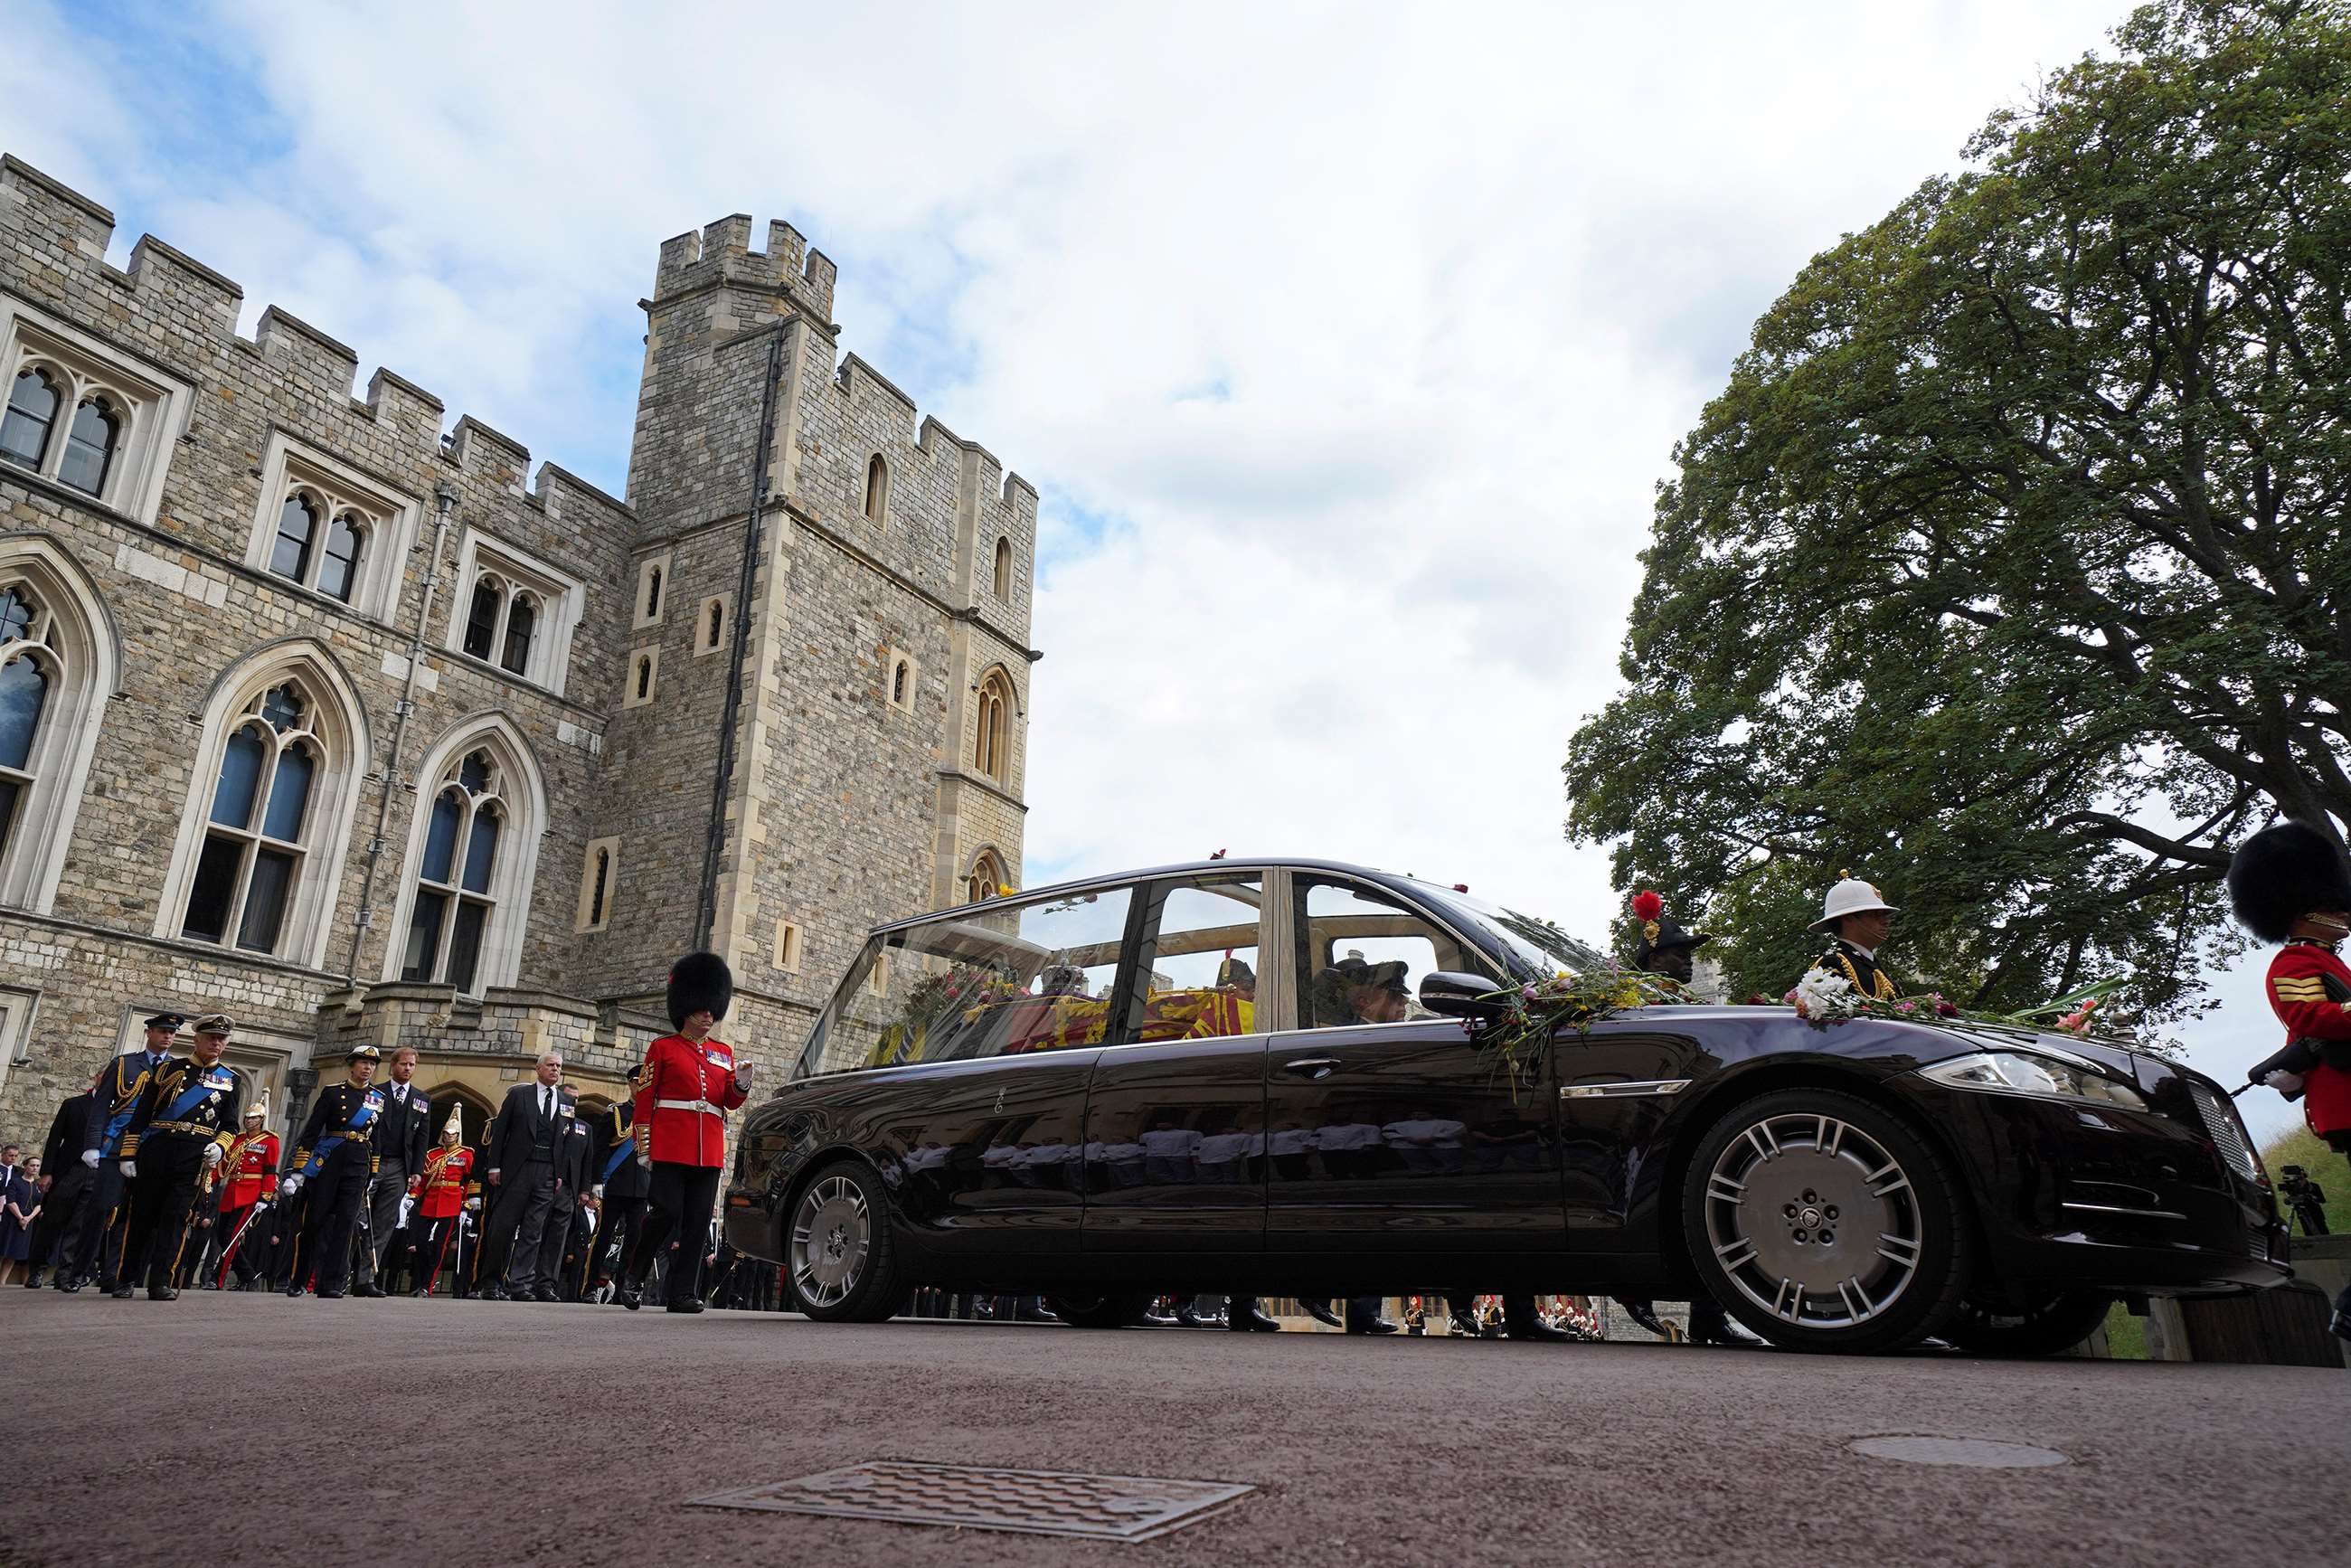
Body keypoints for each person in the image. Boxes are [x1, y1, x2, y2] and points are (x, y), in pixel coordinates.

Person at [2226, 819, 2351, 1343]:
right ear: (2306, 909)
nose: (2344, 913)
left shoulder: (2326, 961)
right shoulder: (2294, 962)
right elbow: (2312, 1019)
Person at [617, 951, 751, 1314]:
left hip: (706, 1148)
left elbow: (728, 1101)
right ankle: (633, 1276)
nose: (709, 1015)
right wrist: (644, 1145)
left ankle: (682, 1292)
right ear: (686, 1008)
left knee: (696, 1223)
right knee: (665, 1213)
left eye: (712, 1008)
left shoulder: (723, 1052)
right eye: (702, 1008)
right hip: (671, 1145)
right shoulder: (663, 1048)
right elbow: (645, 1099)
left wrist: (741, 1084)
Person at [113, 1014, 244, 1301]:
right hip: (158, 1150)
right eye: (210, 1037)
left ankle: (160, 1281)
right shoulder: (168, 1070)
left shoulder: (230, 1079)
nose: (215, 1043)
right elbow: (142, 1113)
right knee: (141, 1218)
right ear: (196, 1039)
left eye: (221, 1039)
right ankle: (125, 1278)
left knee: (175, 1221)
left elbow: (231, 1125)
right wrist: (128, 1153)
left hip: (194, 1158)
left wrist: (221, 1146)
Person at [61, 1012, 184, 1293]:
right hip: (116, 1146)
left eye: (172, 1033)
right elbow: (102, 1106)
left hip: (151, 1150)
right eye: (163, 1031)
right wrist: (92, 1144)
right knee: (101, 1209)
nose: (168, 1036)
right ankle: (78, 1272)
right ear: (149, 1033)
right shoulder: (124, 1064)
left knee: (135, 1215)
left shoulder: (178, 1071)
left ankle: (116, 1277)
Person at [277, 1044, 385, 1299]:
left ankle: (332, 1282)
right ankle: (299, 1278)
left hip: (358, 1161)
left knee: (346, 1225)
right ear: (352, 1065)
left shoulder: (378, 1099)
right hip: (330, 1160)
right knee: (314, 1221)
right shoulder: (333, 1093)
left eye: (372, 1064)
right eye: (363, 1063)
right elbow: (312, 1130)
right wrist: (299, 1169)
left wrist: (373, 1171)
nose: (368, 1068)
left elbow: (378, 1137)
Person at [476, 1051, 579, 1302]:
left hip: (547, 1172)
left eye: (559, 1066)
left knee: (533, 1230)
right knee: (503, 1227)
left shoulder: (566, 1101)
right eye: (551, 1065)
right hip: (516, 1170)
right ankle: (491, 1282)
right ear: (538, 1069)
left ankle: (521, 1284)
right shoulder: (519, 1095)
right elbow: (500, 1133)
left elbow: (565, 1141)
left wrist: (559, 1174)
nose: (555, 1069)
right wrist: (494, 1166)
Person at [354, 1046, 431, 1299]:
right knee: (355, 1216)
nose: (407, 1069)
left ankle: (366, 1278)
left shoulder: (422, 1099)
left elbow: (422, 1138)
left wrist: (417, 1170)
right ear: (393, 1066)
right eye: (403, 1064)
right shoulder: (376, 1093)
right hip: (372, 1162)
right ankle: (338, 1272)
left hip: (400, 1166)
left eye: (412, 1065)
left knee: (385, 1222)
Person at [208, 1095, 279, 1290]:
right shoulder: (238, 1139)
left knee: (232, 1235)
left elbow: (270, 1170)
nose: (249, 1120)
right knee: (223, 1235)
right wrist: (209, 1178)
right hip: (231, 1190)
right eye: (247, 1117)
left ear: (261, 1120)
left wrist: (265, 1195)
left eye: (254, 1118)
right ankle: (247, 1274)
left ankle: (218, 1278)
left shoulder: (270, 1141)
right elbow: (225, 1164)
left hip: (251, 1193)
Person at [26, 1090, 94, 1289]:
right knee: (52, 1222)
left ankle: (65, 1275)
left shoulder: (116, 1108)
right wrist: (46, 1171)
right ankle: (37, 1269)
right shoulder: (73, 1104)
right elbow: (55, 1138)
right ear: (98, 1078)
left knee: (78, 1226)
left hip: (94, 1173)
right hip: (69, 1170)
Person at [585, 1083, 647, 1299]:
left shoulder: (654, 1114)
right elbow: (600, 1148)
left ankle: (623, 1290)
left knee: (634, 1240)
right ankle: (590, 1286)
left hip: (641, 1187)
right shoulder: (617, 1112)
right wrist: (596, 1181)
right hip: (614, 1184)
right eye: (639, 1082)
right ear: (631, 1084)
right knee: (603, 1237)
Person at [402, 1107, 473, 1296]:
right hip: (431, 1201)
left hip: (451, 1202)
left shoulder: (466, 1155)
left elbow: (468, 1181)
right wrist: (414, 1195)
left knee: (440, 1246)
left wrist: (466, 1205)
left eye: (452, 1134)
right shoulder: (432, 1154)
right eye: (446, 1134)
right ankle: (418, 1281)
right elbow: (424, 1180)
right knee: (421, 1243)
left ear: (457, 1135)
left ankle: (428, 1284)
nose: (449, 1137)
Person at [1800, 874, 1901, 1000]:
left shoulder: (1869, 962)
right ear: (1848, 917)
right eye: (1875, 914)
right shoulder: (1833, 964)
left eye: (1885, 915)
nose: (1886, 921)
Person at [0, 1154, 39, 1288]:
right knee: (5, 1249)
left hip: (28, 1221)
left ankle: (3, 1282)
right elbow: (10, 1201)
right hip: (12, 1219)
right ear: (25, 1166)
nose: (35, 1168)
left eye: (37, 1166)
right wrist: (20, 1217)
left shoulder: (37, 1185)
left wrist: (28, 1218)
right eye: (32, 1165)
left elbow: (39, 1204)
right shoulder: (15, 1181)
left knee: (14, 1253)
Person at [2277, 1165, 2327, 1238]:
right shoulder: (2292, 1188)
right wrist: (2290, 1197)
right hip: (2302, 1215)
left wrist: (2310, 1197)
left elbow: (2322, 1200)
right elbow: (2287, 1201)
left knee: (2323, 1233)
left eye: (2300, 1180)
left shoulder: (2313, 1186)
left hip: (2316, 1214)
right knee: (2308, 1235)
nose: (2299, 1183)